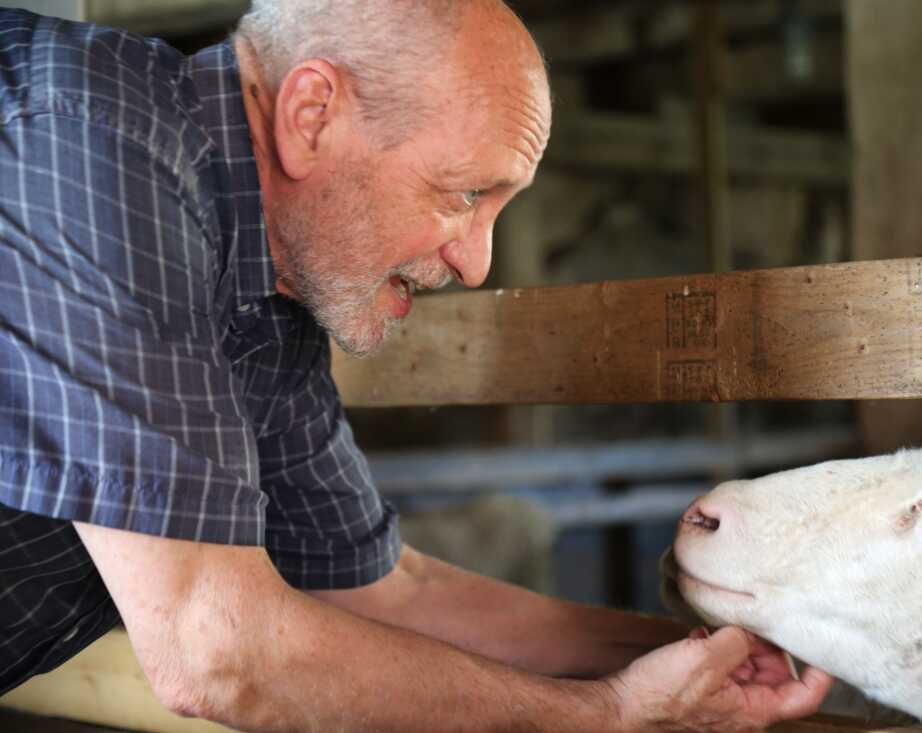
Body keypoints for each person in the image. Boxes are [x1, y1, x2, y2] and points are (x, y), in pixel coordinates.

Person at [0, 1, 833, 731]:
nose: (477, 263)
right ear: (313, 113)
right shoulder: (94, 147)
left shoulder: (271, 295)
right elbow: (215, 649)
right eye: (464, 195)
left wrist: (703, 654)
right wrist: (607, 715)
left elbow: (383, 591)